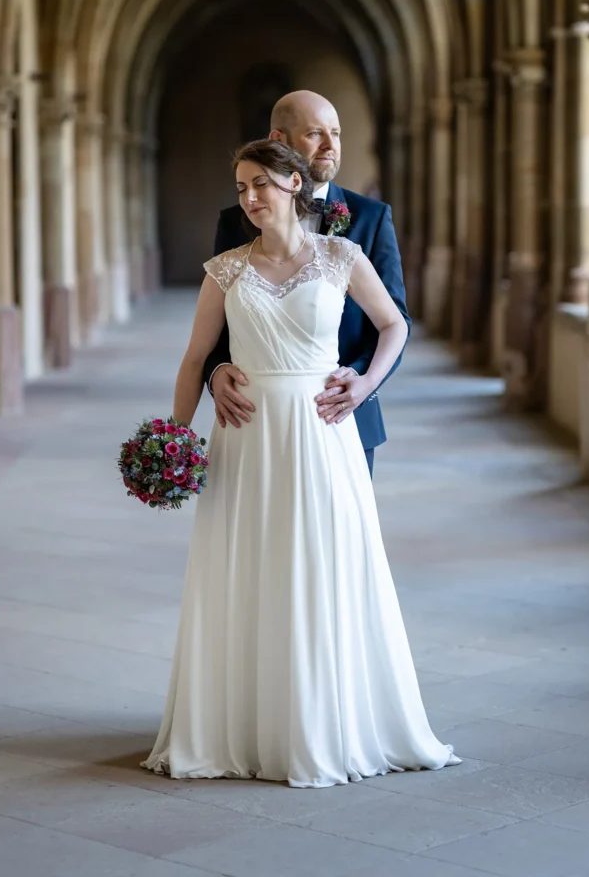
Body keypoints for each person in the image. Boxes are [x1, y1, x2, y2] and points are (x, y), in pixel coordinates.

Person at [141, 139, 460, 788]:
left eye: (261, 183)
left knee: (322, 566)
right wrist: (176, 439)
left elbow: (393, 324)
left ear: (294, 184)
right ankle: (243, 726)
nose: (250, 197)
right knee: (250, 570)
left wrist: (363, 382)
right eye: (240, 187)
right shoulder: (225, 269)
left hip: (321, 435)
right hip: (247, 435)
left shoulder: (341, 256)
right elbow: (194, 356)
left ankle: (325, 723)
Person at [203, 90, 410, 476]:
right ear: (279, 140)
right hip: (255, 421)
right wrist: (216, 373)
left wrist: (363, 381)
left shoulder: (371, 217)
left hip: (344, 418)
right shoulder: (235, 221)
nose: (332, 146)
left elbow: (395, 319)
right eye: (316, 134)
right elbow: (218, 322)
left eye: (337, 133)